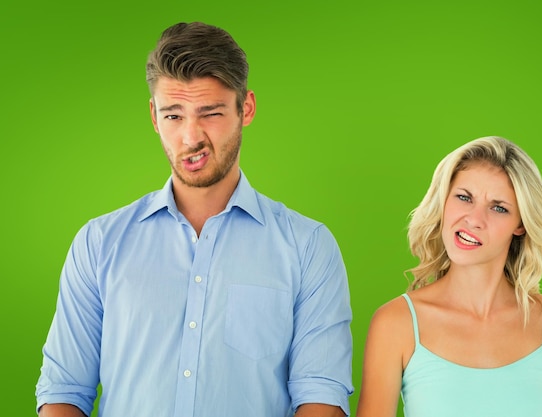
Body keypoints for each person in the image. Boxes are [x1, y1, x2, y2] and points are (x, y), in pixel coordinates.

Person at [36, 22, 353, 417]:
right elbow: (64, 390)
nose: (191, 137)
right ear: (154, 116)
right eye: (173, 116)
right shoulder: (99, 243)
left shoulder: (308, 247)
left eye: (211, 113)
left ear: (246, 108)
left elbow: (321, 394)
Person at [355, 136, 542, 417]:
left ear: (521, 225)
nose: (474, 219)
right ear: (443, 202)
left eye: (499, 207)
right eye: (464, 197)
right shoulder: (395, 323)